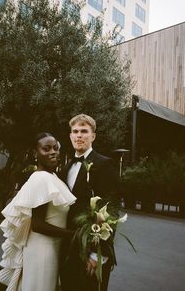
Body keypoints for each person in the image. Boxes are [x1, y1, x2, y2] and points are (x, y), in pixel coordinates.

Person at [0, 132, 76, 291]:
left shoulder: (51, 176)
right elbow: (38, 225)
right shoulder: (41, 179)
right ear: (35, 153)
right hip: (42, 251)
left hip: (51, 248)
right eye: (46, 149)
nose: (53, 152)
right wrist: (73, 234)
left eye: (55, 148)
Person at [59, 114, 120, 291]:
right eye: (75, 131)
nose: (79, 135)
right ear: (70, 136)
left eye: (84, 131)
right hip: (69, 248)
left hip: (92, 251)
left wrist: (97, 254)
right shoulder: (67, 166)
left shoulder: (105, 164)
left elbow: (111, 211)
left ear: (93, 136)